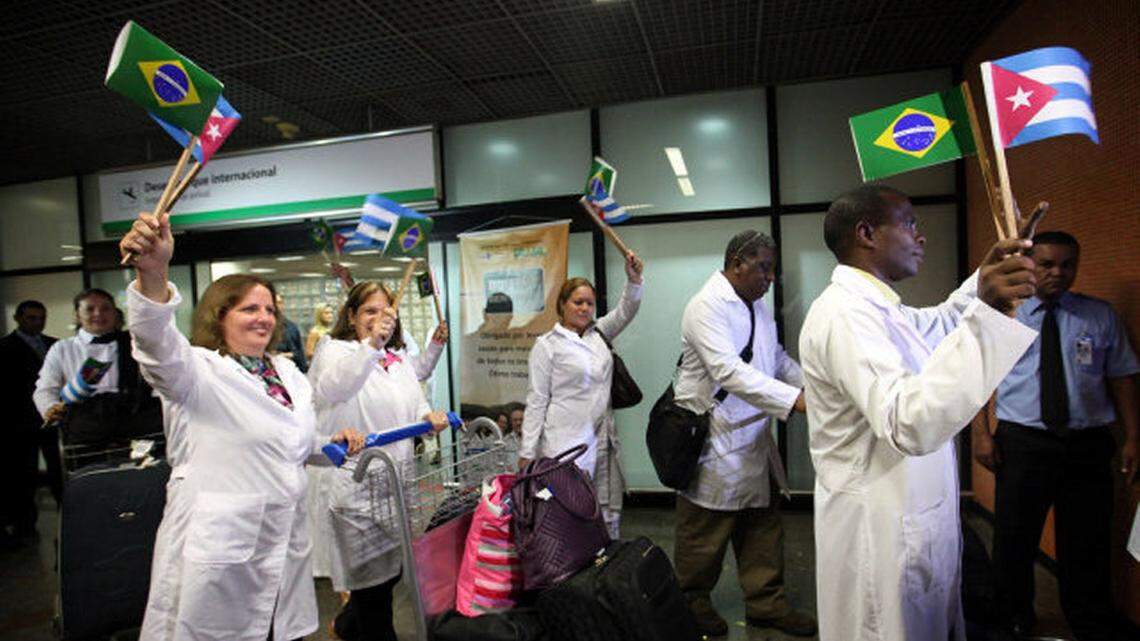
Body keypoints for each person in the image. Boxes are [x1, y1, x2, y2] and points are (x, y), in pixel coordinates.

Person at [799, 185, 1042, 641]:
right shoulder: (844, 315)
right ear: (867, 233)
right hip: (878, 532)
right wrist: (990, 313)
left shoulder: (882, 310)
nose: (921, 236)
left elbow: (946, 322)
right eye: (909, 223)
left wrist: (993, 269)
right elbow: (906, 422)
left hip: (908, 521)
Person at [118, 210, 365, 641]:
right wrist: (153, 274)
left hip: (282, 543)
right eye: (249, 308)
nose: (263, 317)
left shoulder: (286, 374)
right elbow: (156, 344)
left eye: (269, 309)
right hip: (220, 545)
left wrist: (330, 443)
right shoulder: (195, 371)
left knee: (277, 632)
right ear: (219, 316)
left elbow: (290, 443)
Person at [973, 230, 1139, 640]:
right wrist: (981, 434)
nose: (1058, 273)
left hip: (1087, 443)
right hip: (1023, 442)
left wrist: (1134, 436)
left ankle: (1088, 619)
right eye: (1047, 264)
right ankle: (1012, 615)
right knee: (1014, 535)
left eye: (1068, 265)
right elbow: (977, 378)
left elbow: (1121, 376)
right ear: (1030, 265)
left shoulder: (1099, 316)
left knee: (1088, 537)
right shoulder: (1005, 316)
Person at [670, 230, 814, 638]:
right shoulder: (706, 306)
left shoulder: (757, 304)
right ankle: (692, 602)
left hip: (753, 436)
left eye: (772, 269)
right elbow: (728, 371)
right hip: (714, 438)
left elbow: (775, 358)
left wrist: (813, 387)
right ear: (737, 263)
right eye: (763, 268)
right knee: (703, 532)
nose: (770, 278)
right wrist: (794, 401)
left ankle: (767, 604)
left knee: (762, 526)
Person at [308, 280, 451, 641]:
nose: (377, 318)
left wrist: (427, 417)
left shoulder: (396, 358)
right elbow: (333, 388)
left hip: (395, 484)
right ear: (351, 317)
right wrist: (371, 344)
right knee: (373, 589)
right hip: (355, 488)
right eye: (369, 311)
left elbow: (413, 400)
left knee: (388, 575)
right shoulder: (336, 350)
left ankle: (345, 626)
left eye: (384, 311)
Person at [518, 251, 644, 538]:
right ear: (562, 305)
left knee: (606, 510)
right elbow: (537, 401)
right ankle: (571, 563)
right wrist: (527, 452)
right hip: (565, 443)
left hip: (602, 438)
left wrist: (634, 280)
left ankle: (605, 557)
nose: (585, 308)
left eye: (590, 303)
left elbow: (627, 309)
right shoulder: (547, 345)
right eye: (578, 302)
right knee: (569, 513)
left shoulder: (599, 333)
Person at [0, 301, 56, 546]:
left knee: (58, 471)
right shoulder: (5, 348)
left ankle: (67, 517)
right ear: (18, 318)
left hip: (52, 420)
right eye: (31, 318)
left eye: (41, 318)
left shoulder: (53, 345)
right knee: (24, 475)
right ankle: (25, 524)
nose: (37, 323)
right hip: (20, 423)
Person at [275, 293, 308, 372]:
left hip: (292, 370)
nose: (277, 306)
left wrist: (290, 355)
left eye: (279, 303)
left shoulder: (291, 327)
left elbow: (300, 353)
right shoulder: (263, 328)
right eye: (274, 303)